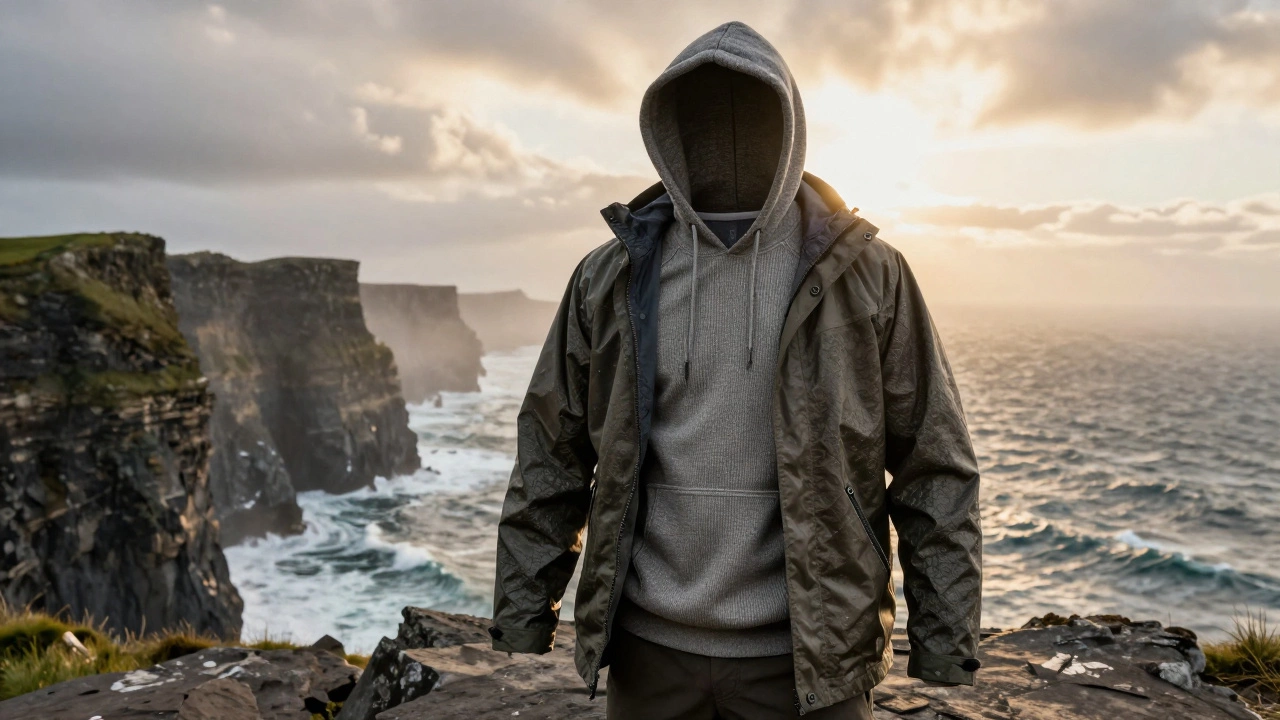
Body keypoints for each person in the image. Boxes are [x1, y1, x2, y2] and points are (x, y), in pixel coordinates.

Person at [489, 20, 982, 719]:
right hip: (647, 654)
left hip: (812, 663)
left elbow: (935, 463)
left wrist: (945, 639)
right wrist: (522, 610)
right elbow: (551, 450)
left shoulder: (868, 277)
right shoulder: (610, 278)